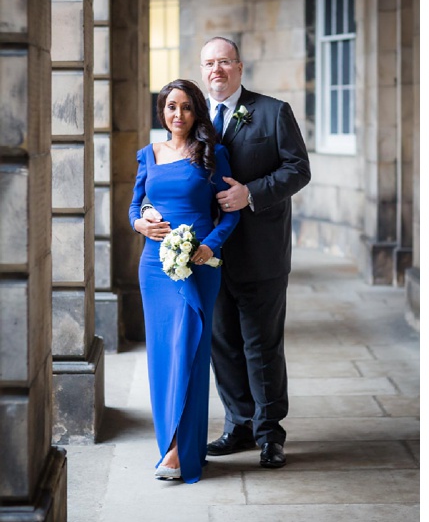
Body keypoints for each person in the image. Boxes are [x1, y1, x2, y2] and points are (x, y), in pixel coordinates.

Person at [143, 37, 311, 469]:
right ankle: (238, 425)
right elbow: (166, 178)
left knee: (261, 344)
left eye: (225, 62)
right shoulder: (197, 123)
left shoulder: (273, 112)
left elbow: (298, 169)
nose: (217, 69)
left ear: (239, 66)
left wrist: (251, 194)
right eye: (209, 63)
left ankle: (270, 434)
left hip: (261, 253)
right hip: (205, 258)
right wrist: (146, 211)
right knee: (222, 345)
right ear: (203, 71)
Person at [130, 79, 240, 483]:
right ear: (162, 111)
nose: (178, 115)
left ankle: (182, 450)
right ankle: (173, 446)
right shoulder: (148, 154)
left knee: (190, 351)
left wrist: (210, 247)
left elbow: (230, 213)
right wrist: (142, 222)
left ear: (197, 113)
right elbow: (135, 205)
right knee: (163, 355)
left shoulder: (214, 155)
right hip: (154, 269)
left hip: (199, 264)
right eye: (170, 107)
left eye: (186, 108)